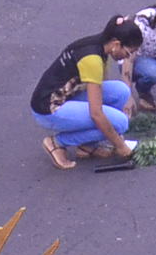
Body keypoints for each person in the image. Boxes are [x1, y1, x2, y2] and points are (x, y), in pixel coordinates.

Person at [30, 16, 142, 169]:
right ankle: (57, 143)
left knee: (121, 91)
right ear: (116, 44)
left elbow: (100, 89)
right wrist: (120, 145)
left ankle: (87, 145)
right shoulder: (92, 59)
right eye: (129, 52)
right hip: (49, 109)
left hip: (66, 96)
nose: (128, 57)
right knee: (120, 124)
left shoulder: (99, 45)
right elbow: (96, 113)